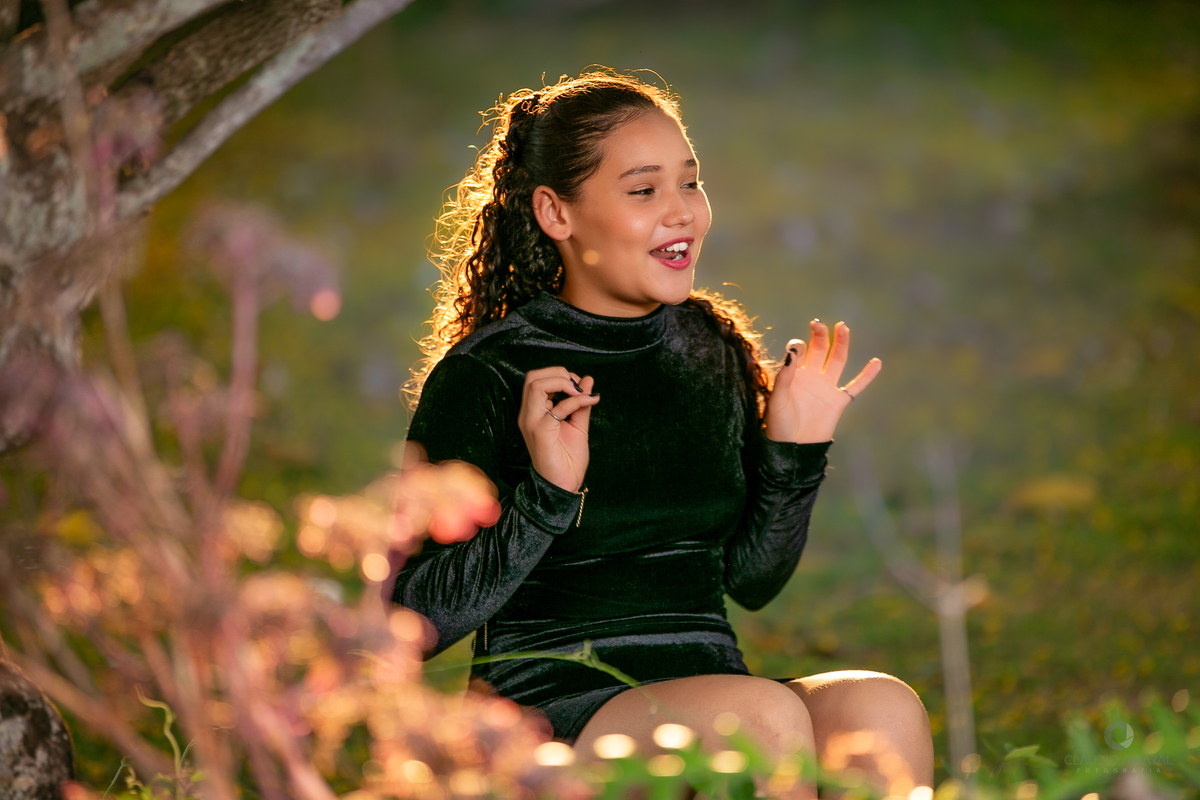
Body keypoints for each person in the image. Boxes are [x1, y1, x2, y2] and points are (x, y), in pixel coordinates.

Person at [391, 69, 933, 795]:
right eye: (644, 191)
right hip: (548, 715)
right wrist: (546, 497)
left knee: (882, 708)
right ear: (556, 212)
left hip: (716, 695)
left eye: (691, 182)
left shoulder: (710, 349)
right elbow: (405, 621)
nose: (682, 212)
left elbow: (750, 582)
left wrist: (794, 451)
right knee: (761, 718)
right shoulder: (489, 373)